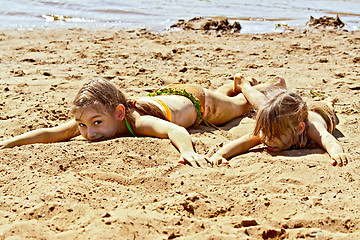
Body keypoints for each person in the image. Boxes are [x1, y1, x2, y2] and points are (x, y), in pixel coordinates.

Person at [0, 77, 277, 168]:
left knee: (242, 105)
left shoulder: (137, 122)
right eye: (83, 125)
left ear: (119, 114)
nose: (88, 132)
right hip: (169, 94)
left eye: (95, 123)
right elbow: (50, 134)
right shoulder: (94, 121)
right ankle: (229, 86)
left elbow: (174, 128)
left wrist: (187, 151)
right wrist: (10, 142)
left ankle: (264, 84)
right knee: (233, 99)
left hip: (200, 103)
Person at [210, 74, 351, 167]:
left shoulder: (312, 128)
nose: (267, 140)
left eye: (275, 136)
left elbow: (328, 139)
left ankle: (329, 102)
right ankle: (244, 85)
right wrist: (220, 154)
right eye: (264, 133)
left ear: (300, 129)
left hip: (320, 111)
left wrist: (336, 153)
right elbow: (244, 142)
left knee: (329, 108)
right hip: (288, 114)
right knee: (262, 105)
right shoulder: (270, 131)